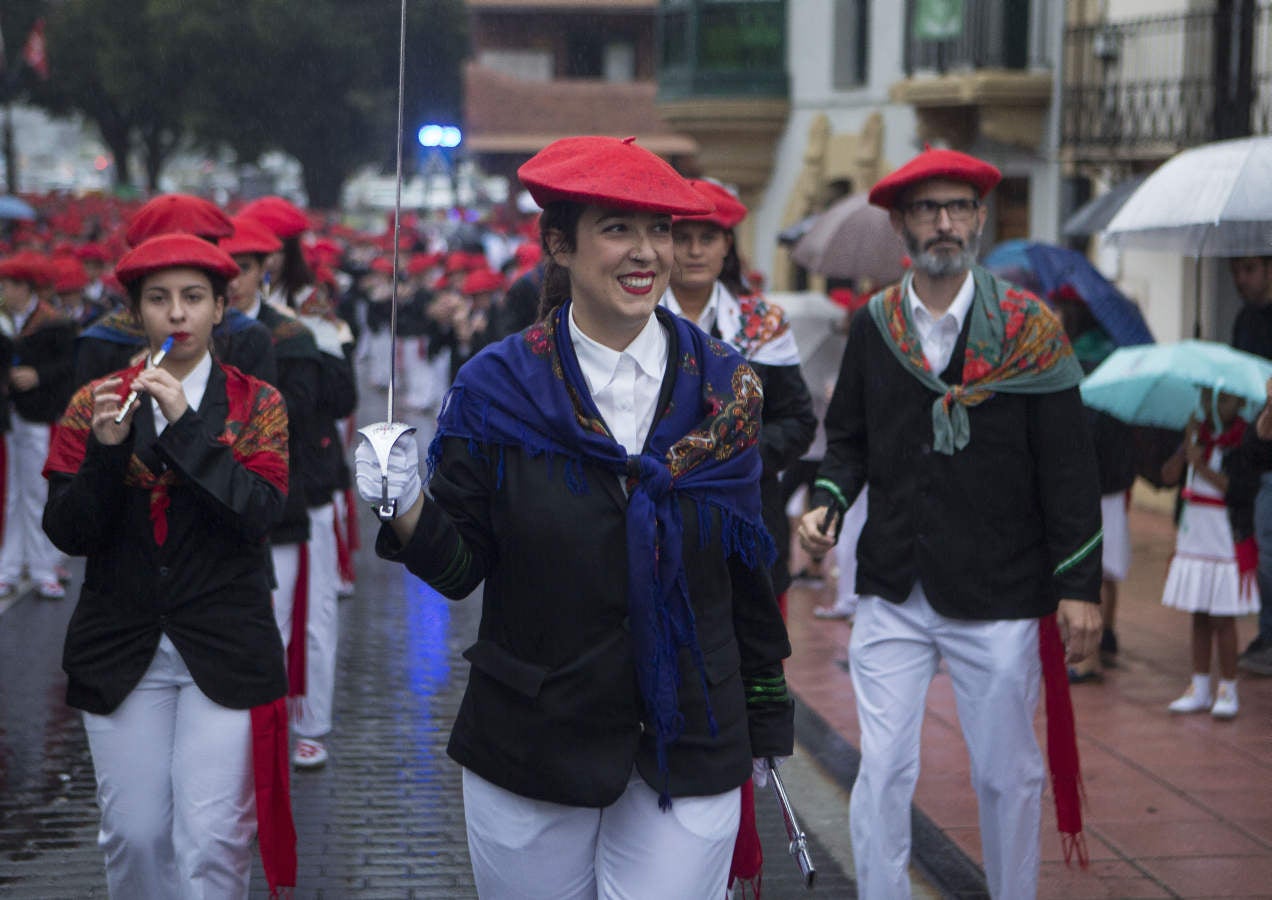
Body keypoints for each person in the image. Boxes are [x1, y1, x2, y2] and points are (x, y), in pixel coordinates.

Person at [356, 135, 793, 898]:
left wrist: (766, 716)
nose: (647, 253)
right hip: (532, 735)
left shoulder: (728, 389)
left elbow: (746, 568)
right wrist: (403, 503)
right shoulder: (497, 385)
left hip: (691, 733)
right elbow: (461, 569)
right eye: (618, 228)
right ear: (559, 244)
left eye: (659, 229)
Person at [797, 147, 1103, 899]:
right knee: (885, 768)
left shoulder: (1032, 330)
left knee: (1007, 774)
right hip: (893, 585)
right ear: (901, 224)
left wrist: (1079, 584)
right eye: (928, 208)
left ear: (978, 219)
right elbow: (850, 440)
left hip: (1000, 590)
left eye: (958, 207)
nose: (945, 222)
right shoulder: (874, 325)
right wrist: (829, 501)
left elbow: (1068, 466)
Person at [42, 233, 295, 898]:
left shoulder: (257, 403)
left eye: (193, 298)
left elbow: (258, 515)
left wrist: (185, 427)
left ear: (221, 307)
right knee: (133, 833)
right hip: (121, 640)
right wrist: (103, 451)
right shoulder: (93, 401)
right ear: (137, 314)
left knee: (212, 839)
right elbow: (68, 533)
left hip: (224, 642)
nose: (176, 314)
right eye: (158, 300)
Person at [661, 178, 816, 619]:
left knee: (754, 666)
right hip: (655, 517)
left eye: (707, 238)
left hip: (749, 514)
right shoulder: (636, 318)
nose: (694, 251)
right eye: (681, 237)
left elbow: (797, 420)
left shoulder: (762, 322)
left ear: (726, 245)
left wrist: (733, 462)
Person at [1159, 389, 1259, 718]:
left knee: (1222, 616)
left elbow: (1239, 489)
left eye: (1223, 400)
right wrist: (1186, 448)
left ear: (1241, 402)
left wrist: (1199, 465)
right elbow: (1169, 476)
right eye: (1206, 399)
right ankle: (1199, 686)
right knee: (1198, 613)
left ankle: (1228, 689)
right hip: (1194, 535)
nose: (1213, 407)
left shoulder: (1247, 438)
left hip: (1225, 536)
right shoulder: (1198, 435)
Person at [0, 251, 77, 599]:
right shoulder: (7, 321)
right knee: (14, 495)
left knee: (36, 494)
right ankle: (11, 566)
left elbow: (68, 369)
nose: (3, 290)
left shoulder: (54, 324)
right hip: (11, 418)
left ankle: (43, 567)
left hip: (39, 418)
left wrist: (38, 375)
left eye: (8, 285)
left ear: (24, 287)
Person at [1227, 255, 1272, 676]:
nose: (1242, 279)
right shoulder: (1244, 320)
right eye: (1236, 271)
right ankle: (1267, 631)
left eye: (1250, 269)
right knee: (1260, 545)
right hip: (1255, 449)